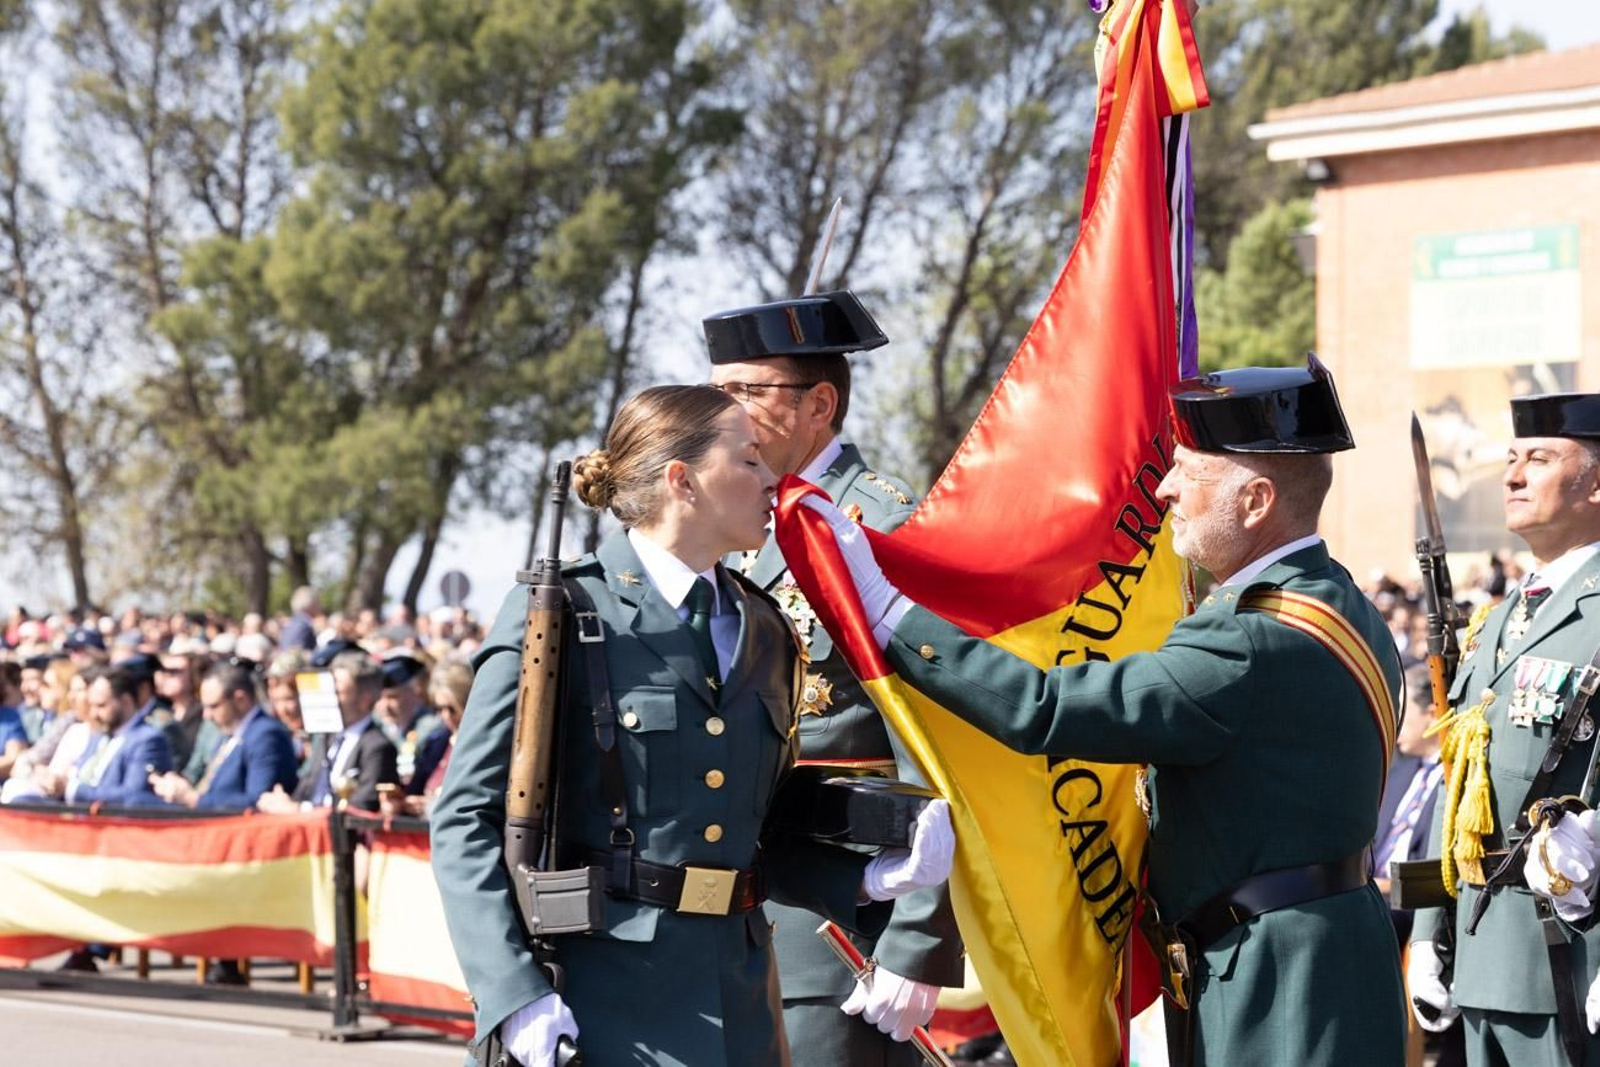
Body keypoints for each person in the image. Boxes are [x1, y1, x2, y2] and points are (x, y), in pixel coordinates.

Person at [800, 358, 1407, 1065]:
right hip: (1317, 951)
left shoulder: (1248, 639)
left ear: (1256, 500)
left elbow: (1044, 708)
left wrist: (889, 612)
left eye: (1190, 473)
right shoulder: (1339, 600)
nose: (1166, 487)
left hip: (1276, 979)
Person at [430, 385, 954, 1067]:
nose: (771, 479)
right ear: (683, 481)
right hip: (604, 1004)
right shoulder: (567, 614)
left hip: (743, 1002)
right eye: (748, 460)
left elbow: (757, 830)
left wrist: (865, 879)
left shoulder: (764, 627)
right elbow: (465, 816)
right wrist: (511, 991)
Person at [704, 290, 963, 1061]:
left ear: (819, 404)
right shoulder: (727, 522)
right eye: (714, 392)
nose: (723, 413)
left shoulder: (877, 527)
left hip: (840, 921)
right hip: (727, 908)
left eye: (746, 391)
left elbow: (939, 739)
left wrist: (919, 937)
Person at [1411, 392, 1600, 1066]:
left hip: (1572, 959)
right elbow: (1457, 780)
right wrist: (1428, 929)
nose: (1512, 476)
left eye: (1539, 459)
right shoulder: (1496, 621)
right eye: (1511, 458)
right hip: (1482, 953)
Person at [259, 650, 398, 812]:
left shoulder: (377, 747)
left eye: (337, 692)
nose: (328, 697)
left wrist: (298, 809)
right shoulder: (327, 738)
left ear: (365, 699)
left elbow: (361, 808)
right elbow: (306, 790)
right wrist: (280, 801)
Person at [149, 661, 298, 810]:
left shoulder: (265, 736)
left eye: (213, 706)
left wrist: (193, 799)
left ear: (240, 700)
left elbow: (259, 802)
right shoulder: (229, 733)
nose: (207, 715)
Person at [35, 659, 173, 807]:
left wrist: (72, 789)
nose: (93, 713)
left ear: (125, 702)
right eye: (92, 705)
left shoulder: (147, 740)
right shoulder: (100, 735)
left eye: (101, 706)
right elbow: (81, 775)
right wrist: (55, 782)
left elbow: (133, 796)